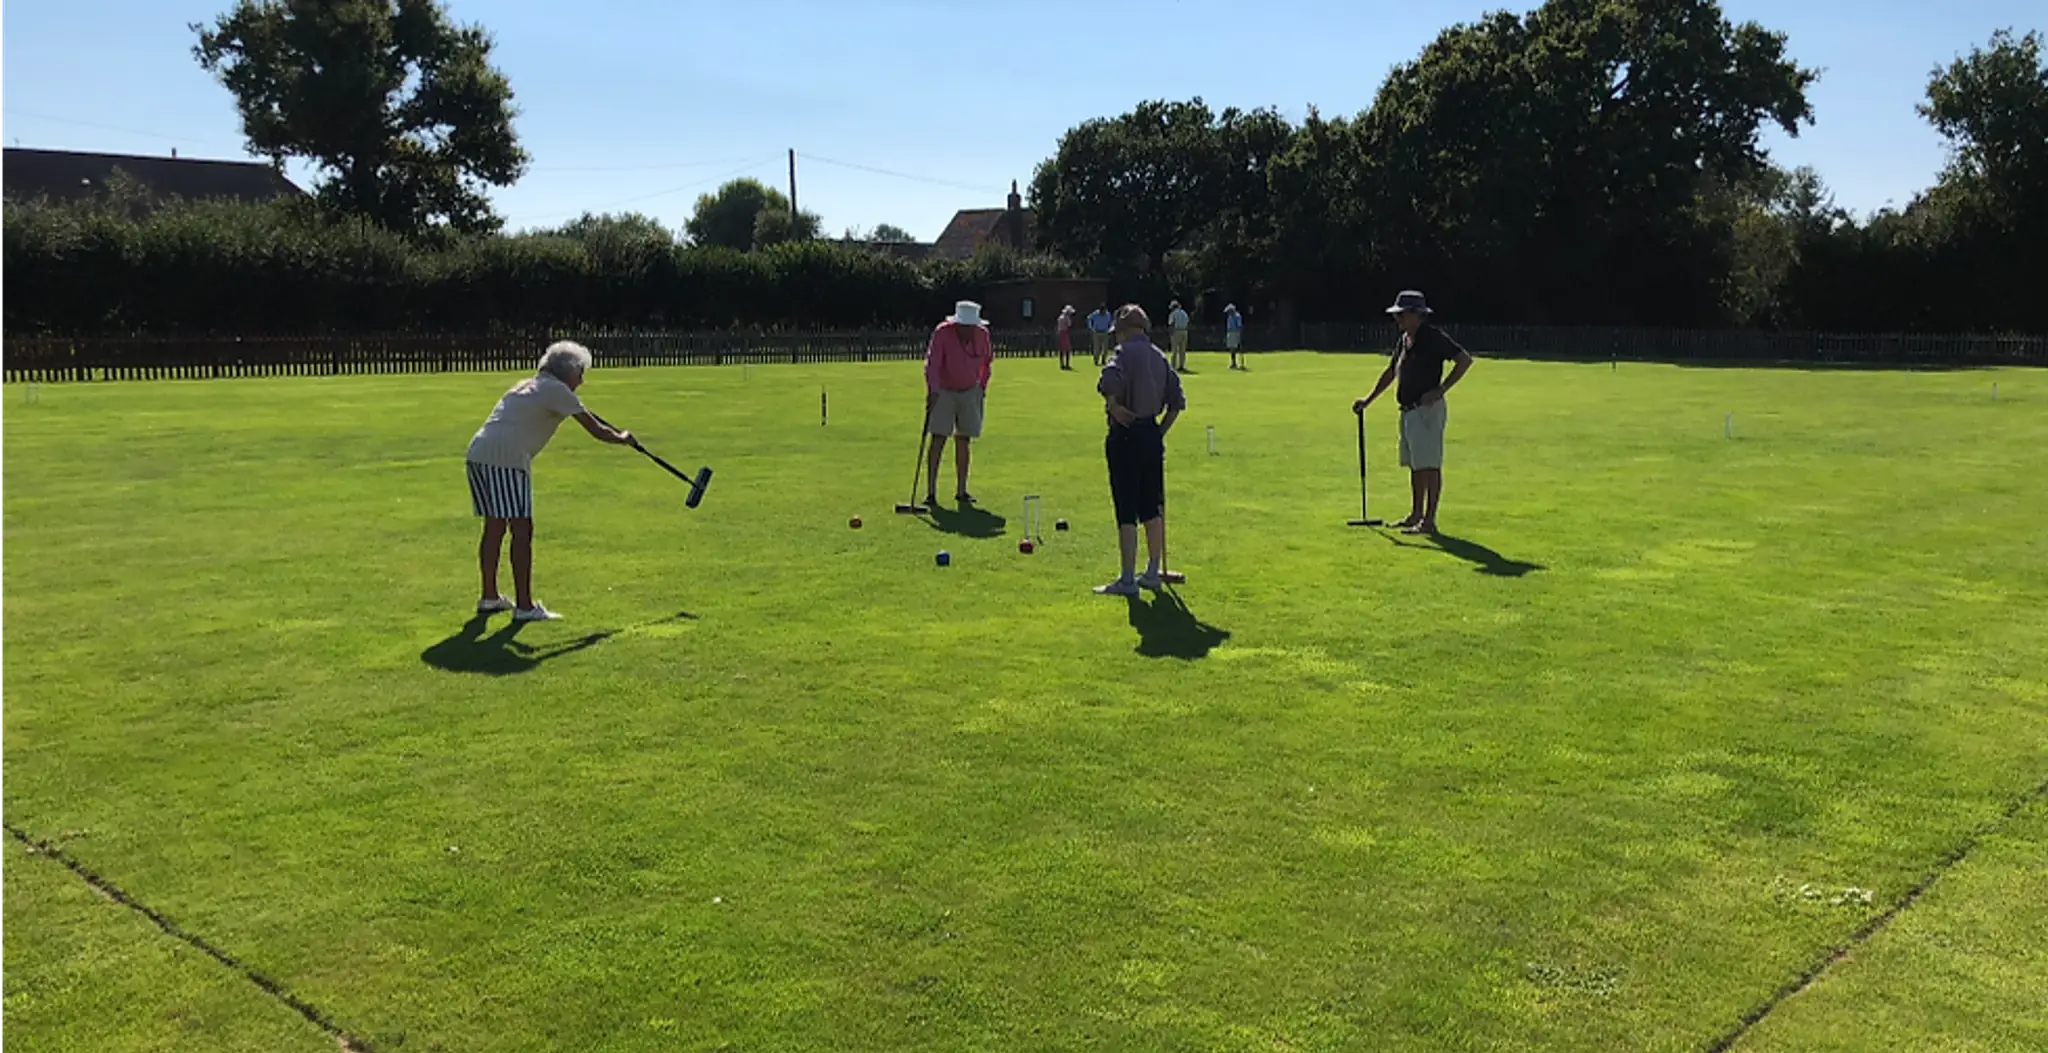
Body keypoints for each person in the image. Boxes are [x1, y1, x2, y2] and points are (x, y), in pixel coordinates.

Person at [465, 341, 635, 621]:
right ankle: (524, 606)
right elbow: (597, 430)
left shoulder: (529, 384)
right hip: (507, 459)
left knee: (495, 525)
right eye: (581, 374)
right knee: (521, 529)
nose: (582, 381)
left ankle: (490, 597)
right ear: (570, 372)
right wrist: (623, 438)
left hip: (478, 453)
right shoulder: (558, 390)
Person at [1352, 290, 1475, 536]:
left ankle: (1429, 521)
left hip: (1426, 411)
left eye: (1402, 315)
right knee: (1416, 465)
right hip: (1408, 412)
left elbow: (1464, 360)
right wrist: (1369, 400)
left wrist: (1440, 390)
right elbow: (1391, 372)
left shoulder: (1432, 337)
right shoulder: (1406, 339)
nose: (1397, 320)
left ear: (1416, 315)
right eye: (1397, 315)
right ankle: (1416, 515)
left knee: (1430, 465)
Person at [1094, 304, 1186, 596]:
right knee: (1151, 505)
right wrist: (1160, 431)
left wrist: (1113, 405)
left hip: (1125, 435)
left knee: (1126, 508)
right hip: (1150, 434)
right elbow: (1177, 401)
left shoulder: (1123, 354)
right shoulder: (1160, 357)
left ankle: (1127, 579)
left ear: (1122, 331)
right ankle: (1152, 571)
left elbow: (1109, 380)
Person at [925, 299, 994, 506]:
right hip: (944, 391)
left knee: (964, 439)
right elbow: (932, 363)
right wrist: (933, 389)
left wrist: (981, 387)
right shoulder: (942, 332)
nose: (968, 330)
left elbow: (987, 362)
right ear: (957, 324)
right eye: (964, 326)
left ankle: (962, 491)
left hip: (970, 391)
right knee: (938, 438)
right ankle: (931, 493)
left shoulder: (982, 335)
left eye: (971, 326)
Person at [1167, 299, 1191, 371]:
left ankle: (1173, 366)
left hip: (1176, 331)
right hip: (1184, 331)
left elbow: (1171, 323)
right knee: (1182, 350)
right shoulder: (1184, 313)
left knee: (1174, 350)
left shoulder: (1173, 314)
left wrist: (1170, 333)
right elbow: (1187, 322)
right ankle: (1181, 365)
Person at [1224, 304, 1245, 370]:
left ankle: (1236, 364)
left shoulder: (1237, 316)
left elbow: (1239, 326)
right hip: (1230, 333)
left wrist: (1239, 334)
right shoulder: (1230, 317)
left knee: (1235, 348)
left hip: (1235, 333)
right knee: (1231, 349)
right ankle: (1233, 363)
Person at [1056, 304, 1076, 370]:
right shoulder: (1066, 318)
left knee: (1061, 349)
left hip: (1060, 333)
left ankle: (1061, 364)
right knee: (1067, 350)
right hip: (1064, 333)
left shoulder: (1060, 317)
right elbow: (1069, 325)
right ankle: (1067, 364)